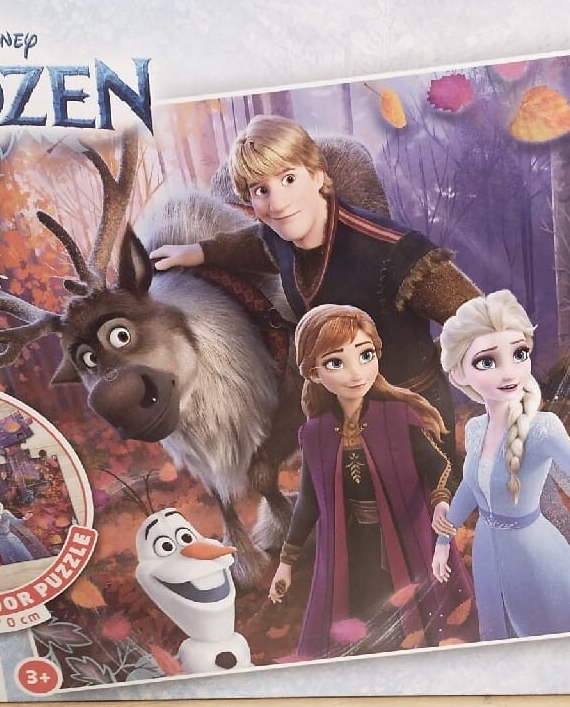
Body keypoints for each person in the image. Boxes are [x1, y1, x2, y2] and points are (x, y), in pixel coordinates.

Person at [149, 115, 479, 454]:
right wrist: (198, 252)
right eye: (261, 190)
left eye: (289, 179)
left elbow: (479, 318)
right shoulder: (280, 238)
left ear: (318, 175)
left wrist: (437, 370)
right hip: (346, 413)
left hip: (411, 414)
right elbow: (256, 245)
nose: (277, 203)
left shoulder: (391, 253)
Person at [433, 290, 570, 642]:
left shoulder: (543, 427)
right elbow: (470, 488)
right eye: (487, 362)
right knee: (500, 629)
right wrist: (444, 541)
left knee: (552, 628)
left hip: (533, 549)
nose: (509, 372)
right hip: (488, 547)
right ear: (459, 373)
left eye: (519, 354)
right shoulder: (475, 429)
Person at [270, 304, 475, 658]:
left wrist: (441, 501)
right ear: (314, 373)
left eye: (365, 356)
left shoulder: (398, 416)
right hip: (352, 548)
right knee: (363, 621)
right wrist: (286, 563)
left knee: (414, 620)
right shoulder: (316, 434)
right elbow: (308, 503)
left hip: (407, 538)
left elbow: (437, 465)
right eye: (336, 363)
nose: (356, 373)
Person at [0, 485, 49, 565]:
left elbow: (17, 522)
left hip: (10, 539)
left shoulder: (5, 512)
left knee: (24, 556)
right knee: (9, 561)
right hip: (0, 542)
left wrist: (25, 518)